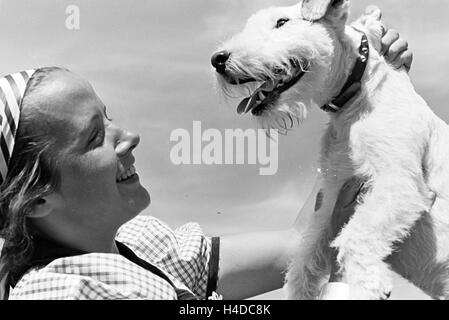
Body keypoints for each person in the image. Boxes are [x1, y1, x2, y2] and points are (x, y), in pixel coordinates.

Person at [0, 14, 413, 300]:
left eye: (109, 118)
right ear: (37, 197)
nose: (129, 136)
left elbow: (299, 246)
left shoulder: (145, 248)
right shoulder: (60, 290)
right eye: (94, 137)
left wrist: (355, 94)